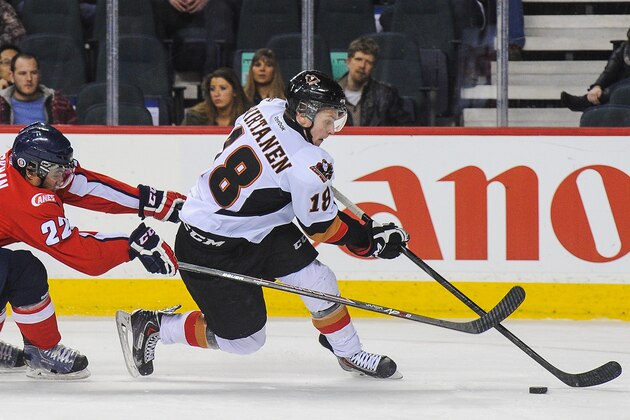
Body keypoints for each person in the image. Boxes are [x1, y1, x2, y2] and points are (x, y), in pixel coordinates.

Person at [118, 70, 410, 380]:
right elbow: (321, 228)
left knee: (318, 279)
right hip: (209, 246)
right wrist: (370, 241)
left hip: (257, 229)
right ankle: (156, 327)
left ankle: (349, 352)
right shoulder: (309, 163)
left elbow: (286, 177)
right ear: (303, 115)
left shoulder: (267, 108)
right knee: (245, 341)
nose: (332, 129)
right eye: (328, 119)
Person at [0, 122, 184, 379]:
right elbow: (82, 254)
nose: (63, 178)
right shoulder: (24, 203)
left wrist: (151, 202)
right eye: (57, 172)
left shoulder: (24, 167)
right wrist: (131, 245)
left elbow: (86, 187)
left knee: (23, 270)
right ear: (31, 170)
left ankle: (41, 352)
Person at [337, 36, 414, 126]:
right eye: (358, 59)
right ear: (348, 62)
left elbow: (406, 129)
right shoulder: (328, 95)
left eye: (368, 62)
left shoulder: (386, 95)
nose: (362, 66)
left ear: (374, 67)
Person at [561, 27, 630, 112]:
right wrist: (597, 86)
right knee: (621, 87)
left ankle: (587, 101)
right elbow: (609, 72)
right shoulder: (623, 50)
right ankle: (594, 98)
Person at [0, 52, 77, 125]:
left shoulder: (60, 104)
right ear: (12, 77)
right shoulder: (1, 103)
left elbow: (76, 135)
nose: (29, 78)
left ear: (39, 75)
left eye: (34, 73)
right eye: (22, 73)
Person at [182, 67, 250, 126]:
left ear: (235, 92)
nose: (216, 94)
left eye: (223, 88)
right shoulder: (195, 117)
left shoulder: (248, 117)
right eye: (212, 89)